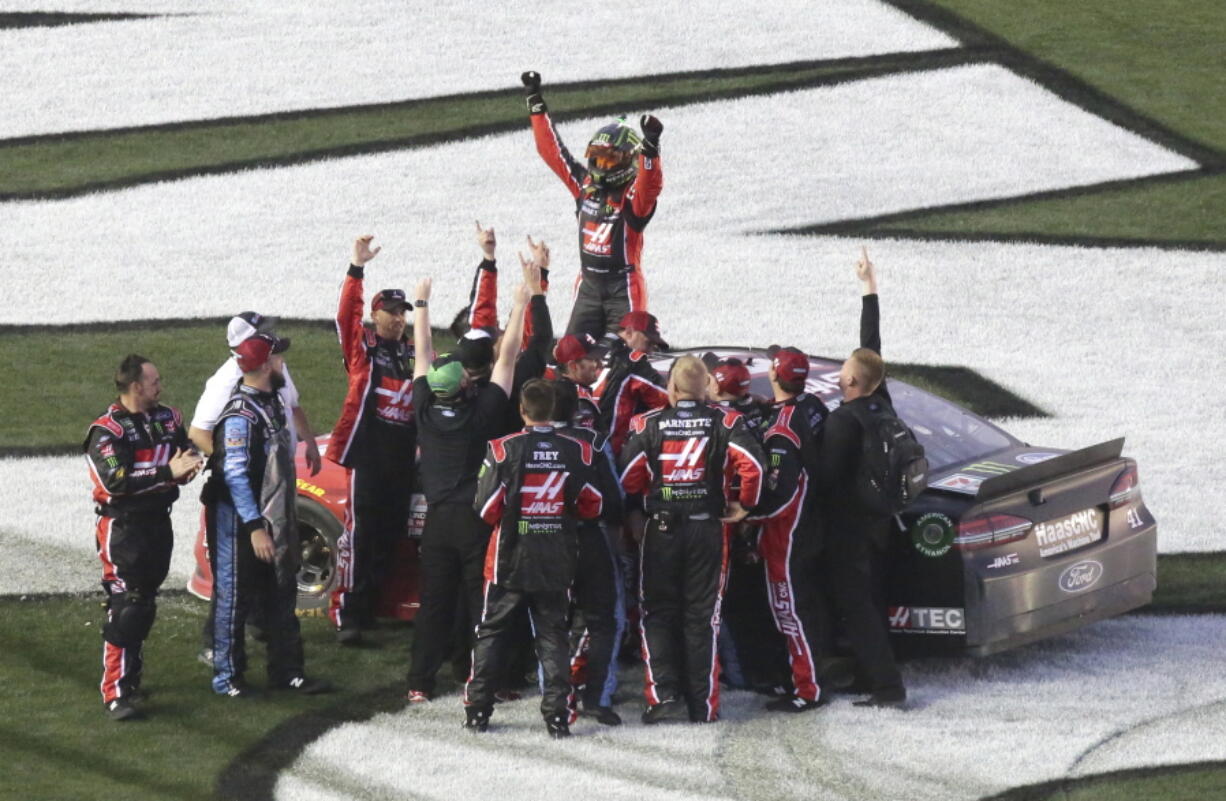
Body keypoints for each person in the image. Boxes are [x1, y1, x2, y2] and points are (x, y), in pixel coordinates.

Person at [619, 356, 765, 724]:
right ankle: (704, 706)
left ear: (671, 388)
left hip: (661, 531)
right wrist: (745, 504)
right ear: (707, 389)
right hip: (708, 530)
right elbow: (755, 467)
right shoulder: (727, 421)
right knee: (703, 618)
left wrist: (639, 508)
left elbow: (626, 479)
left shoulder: (645, 423)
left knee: (657, 614)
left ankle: (663, 696)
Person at [405, 275, 529, 702]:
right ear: (464, 384)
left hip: (437, 522)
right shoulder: (485, 415)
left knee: (434, 605)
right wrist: (521, 302)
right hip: (477, 521)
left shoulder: (423, 408)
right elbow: (508, 357)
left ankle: (419, 683)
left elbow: (421, 354)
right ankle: (482, 681)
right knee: (482, 605)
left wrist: (420, 305)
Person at [464, 379, 604, 738]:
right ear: (554, 408)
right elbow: (592, 504)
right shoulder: (578, 450)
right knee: (553, 636)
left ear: (522, 411)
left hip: (508, 558)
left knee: (492, 632)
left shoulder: (501, 449)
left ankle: (477, 710)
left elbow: (485, 507)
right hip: (556, 557)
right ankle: (557, 716)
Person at [204, 334, 332, 698]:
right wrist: (255, 528)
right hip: (239, 521)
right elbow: (235, 476)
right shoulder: (239, 417)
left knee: (281, 591)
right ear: (263, 365)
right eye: (277, 359)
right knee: (234, 596)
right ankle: (227, 678)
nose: (282, 365)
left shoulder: (272, 401)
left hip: (272, 513)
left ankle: (288, 672)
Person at [86, 355, 203, 720]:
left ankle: (130, 680)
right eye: (154, 380)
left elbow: (187, 451)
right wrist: (168, 470)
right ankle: (115, 693)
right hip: (123, 528)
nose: (160, 385)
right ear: (136, 386)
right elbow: (115, 482)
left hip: (158, 523)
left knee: (144, 603)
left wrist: (189, 466)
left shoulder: (167, 418)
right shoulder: (108, 432)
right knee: (128, 604)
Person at [815, 248, 906, 708]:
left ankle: (888, 686)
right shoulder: (880, 399)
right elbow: (873, 348)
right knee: (870, 602)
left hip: (849, 529)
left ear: (850, 382)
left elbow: (826, 478)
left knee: (857, 608)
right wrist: (869, 289)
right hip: (880, 522)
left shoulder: (843, 421)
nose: (841, 372)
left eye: (845, 370)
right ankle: (871, 677)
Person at [521, 70, 664, 340]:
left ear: (628, 161)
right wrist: (535, 100)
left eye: (609, 160)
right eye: (597, 158)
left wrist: (651, 148)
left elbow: (650, 185)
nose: (601, 165)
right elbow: (552, 151)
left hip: (624, 288)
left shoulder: (634, 200)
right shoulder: (583, 186)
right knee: (571, 358)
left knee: (625, 358)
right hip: (588, 285)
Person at [326, 235, 417, 644]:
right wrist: (356, 268)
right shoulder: (363, 347)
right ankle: (348, 615)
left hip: (402, 458)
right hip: (369, 454)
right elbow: (346, 315)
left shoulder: (414, 353)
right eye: (391, 312)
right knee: (361, 536)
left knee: (390, 536)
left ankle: (372, 607)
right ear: (375, 315)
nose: (398, 319)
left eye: (402, 313)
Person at [749, 345, 831, 712]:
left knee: (789, 612)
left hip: (788, 533)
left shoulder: (780, 430)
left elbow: (781, 495)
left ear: (773, 376)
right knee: (807, 608)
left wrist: (745, 516)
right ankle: (807, 676)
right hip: (814, 524)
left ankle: (808, 690)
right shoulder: (812, 406)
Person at [550, 378, 626, 726]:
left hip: (544, 542)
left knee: (550, 623)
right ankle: (597, 698)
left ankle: (554, 699)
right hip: (591, 540)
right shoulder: (594, 441)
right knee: (604, 621)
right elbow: (614, 500)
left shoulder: (518, 443)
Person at [188, 311, 321, 475]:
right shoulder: (225, 382)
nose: (271, 335)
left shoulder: (275, 365)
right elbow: (197, 433)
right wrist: (237, 467)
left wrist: (311, 444)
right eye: (263, 332)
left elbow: (292, 406)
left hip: (282, 471)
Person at [594, 310, 670, 457]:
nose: (649, 351)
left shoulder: (587, 348)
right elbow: (667, 397)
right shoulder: (633, 360)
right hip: (607, 449)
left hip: (573, 445)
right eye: (648, 343)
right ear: (629, 332)